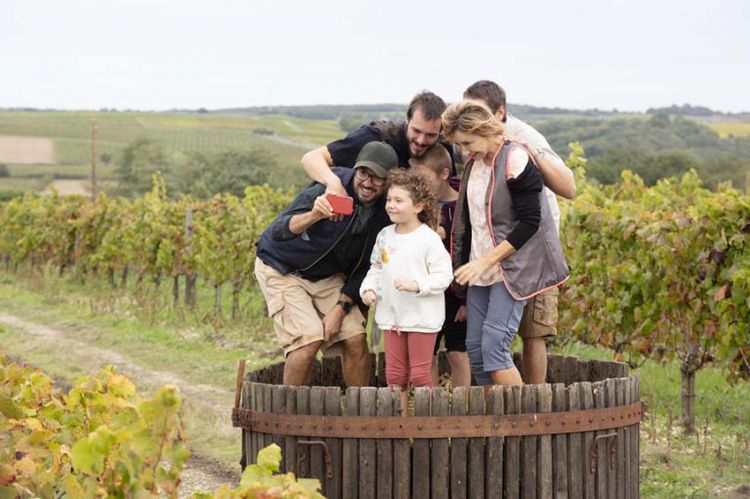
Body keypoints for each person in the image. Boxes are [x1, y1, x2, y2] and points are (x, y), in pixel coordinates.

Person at [443, 100, 569, 387]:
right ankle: (495, 424)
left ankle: (524, 424)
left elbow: (529, 222)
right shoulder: (474, 162)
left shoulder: (515, 159)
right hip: (481, 271)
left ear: (483, 130)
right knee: (475, 349)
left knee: (494, 347)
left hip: (512, 267)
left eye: (467, 142)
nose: (463, 151)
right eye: (458, 145)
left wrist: (485, 261)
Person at [255, 141, 399, 386]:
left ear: (388, 182)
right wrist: (314, 215)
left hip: (325, 276)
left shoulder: (386, 212)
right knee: (308, 340)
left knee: (354, 337)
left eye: (378, 178)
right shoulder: (331, 187)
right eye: (364, 173)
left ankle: (359, 416)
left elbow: (368, 266)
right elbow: (277, 232)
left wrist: (340, 307)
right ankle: (288, 419)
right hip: (281, 268)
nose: (367, 182)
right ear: (356, 169)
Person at [360, 169, 453, 414]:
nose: (391, 205)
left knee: (421, 374)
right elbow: (376, 268)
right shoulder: (385, 236)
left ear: (419, 205)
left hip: (422, 317)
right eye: (389, 199)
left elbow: (444, 276)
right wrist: (368, 289)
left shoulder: (428, 239)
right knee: (395, 374)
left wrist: (418, 285)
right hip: (392, 317)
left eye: (399, 201)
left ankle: (429, 425)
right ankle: (400, 425)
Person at [301, 90, 454, 198]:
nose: (421, 140)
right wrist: (333, 183)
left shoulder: (441, 150)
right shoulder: (376, 136)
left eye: (430, 135)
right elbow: (311, 158)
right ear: (407, 120)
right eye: (416, 131)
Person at [409, 145, 472, 387]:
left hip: (456, 292)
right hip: (427, 293)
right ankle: (431, 407)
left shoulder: (464, 207)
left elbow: (471, 254)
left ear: (444, 174)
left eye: (424, 180)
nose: (420, 187)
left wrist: (466, 300)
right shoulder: (420, 208)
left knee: (457, 351)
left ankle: (462, 404)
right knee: (428, 353)